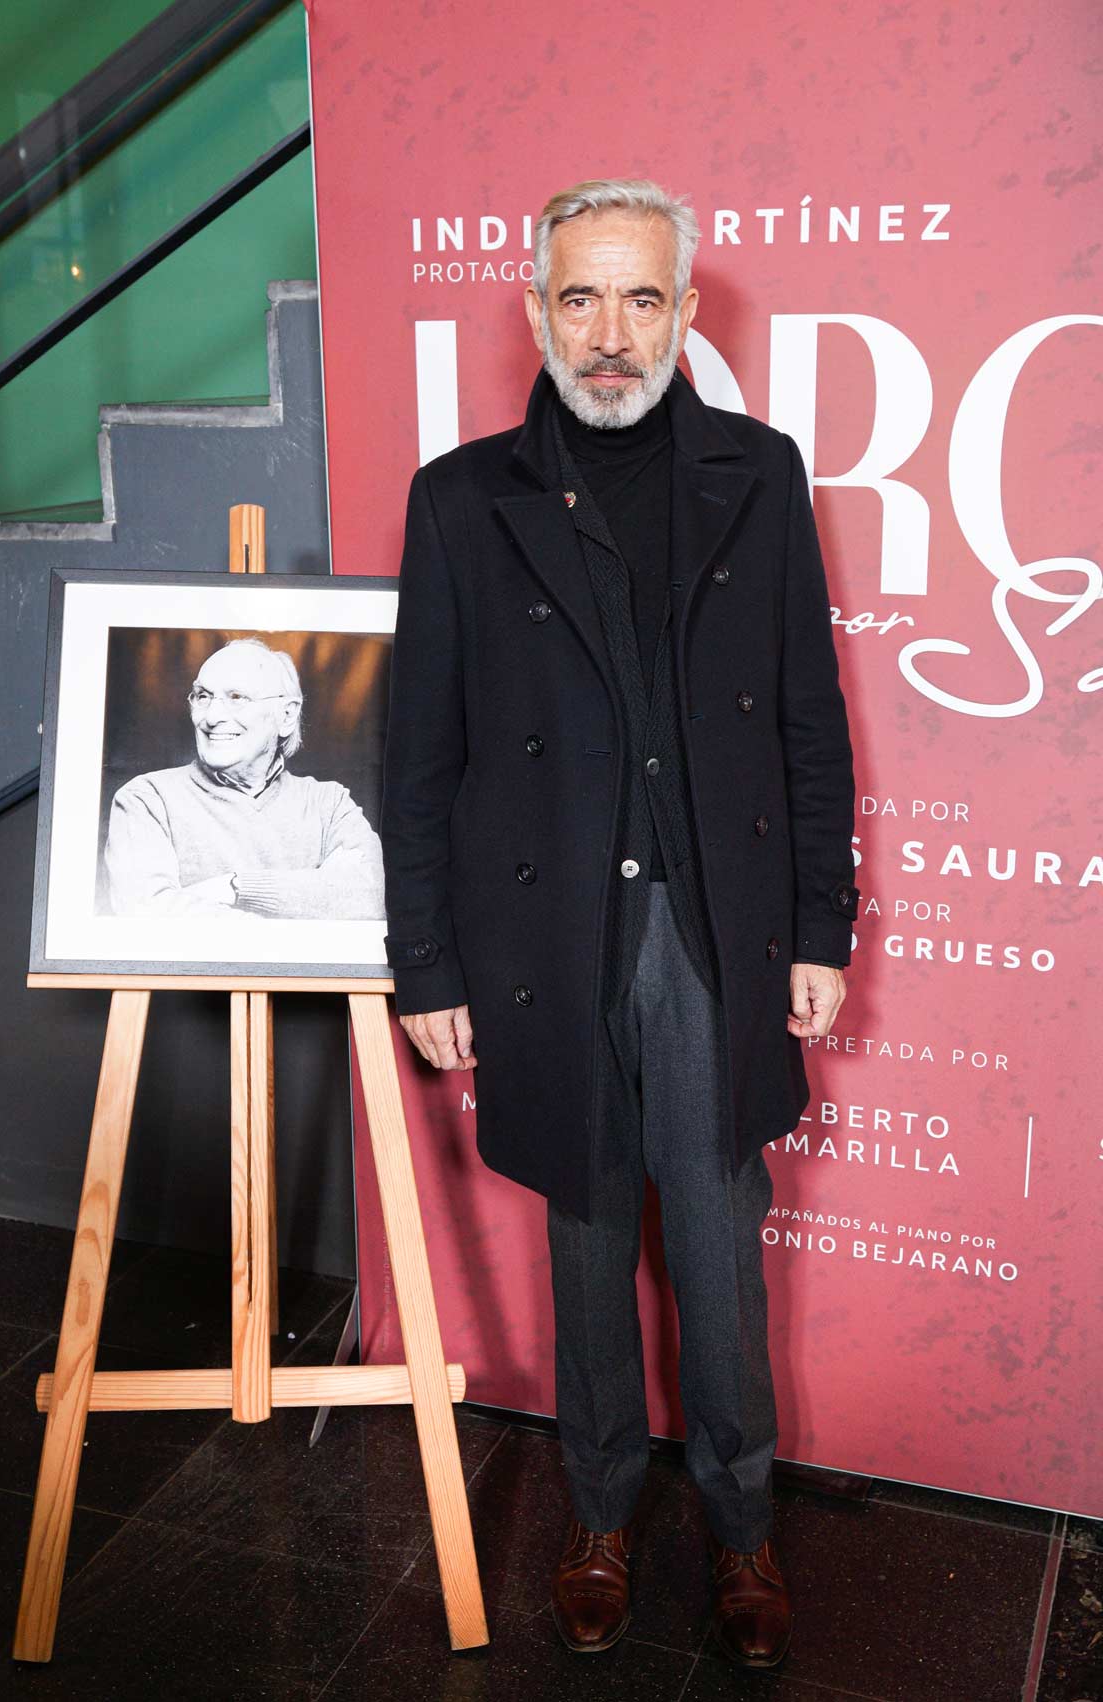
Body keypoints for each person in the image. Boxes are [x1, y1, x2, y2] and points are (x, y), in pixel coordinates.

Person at [380, 179, 858, 1668]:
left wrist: (821, 928)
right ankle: (597, 1514)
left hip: (712, 928)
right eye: (579, 298)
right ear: (536, 310)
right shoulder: (462, 499)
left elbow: (808, 718)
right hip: (545, 938)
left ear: (684, 312)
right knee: (586, 1247)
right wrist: (426, 960)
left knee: (717, 1248)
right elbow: (419, 757)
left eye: (640, 298)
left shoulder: (759, 475)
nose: (608, 333)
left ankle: (740, 1520)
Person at [105, 636, 384, 920]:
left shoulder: (329, 804)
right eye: (203, 696)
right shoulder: (147, 799)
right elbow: (146, 914)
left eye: (237, 697)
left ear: (287, 715)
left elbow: (375, 896)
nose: (211, 717)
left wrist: (236, 887)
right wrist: (306, 909)